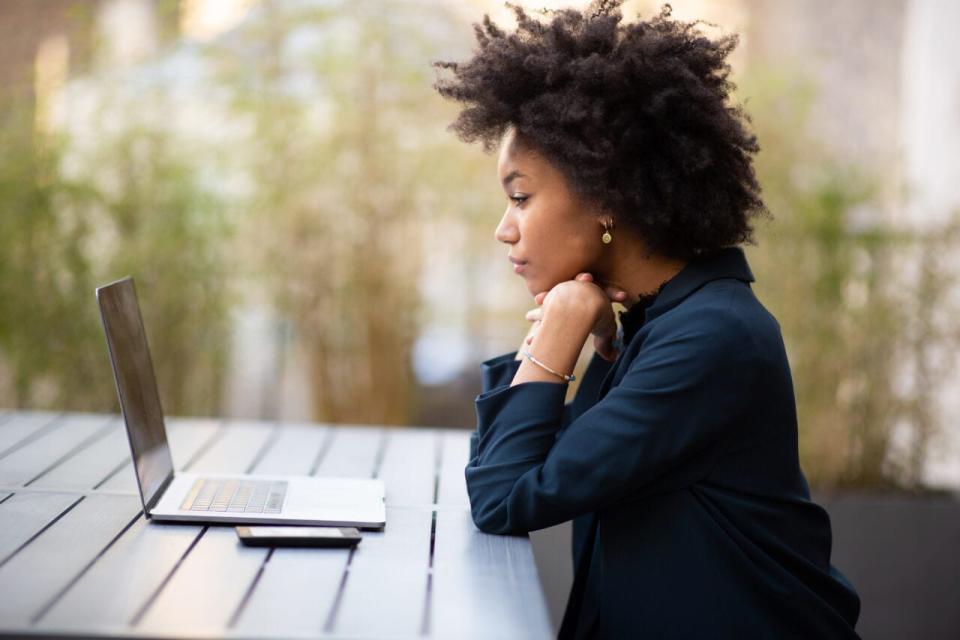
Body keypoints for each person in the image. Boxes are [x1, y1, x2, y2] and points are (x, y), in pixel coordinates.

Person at [433, 1, 861, 638]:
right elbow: (501, 471)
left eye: (521, 197)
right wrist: (587, 336)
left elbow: (503, 499)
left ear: (604, 195)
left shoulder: (711, 339)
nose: (505, 229)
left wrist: (552, 344)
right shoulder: (653, 326)